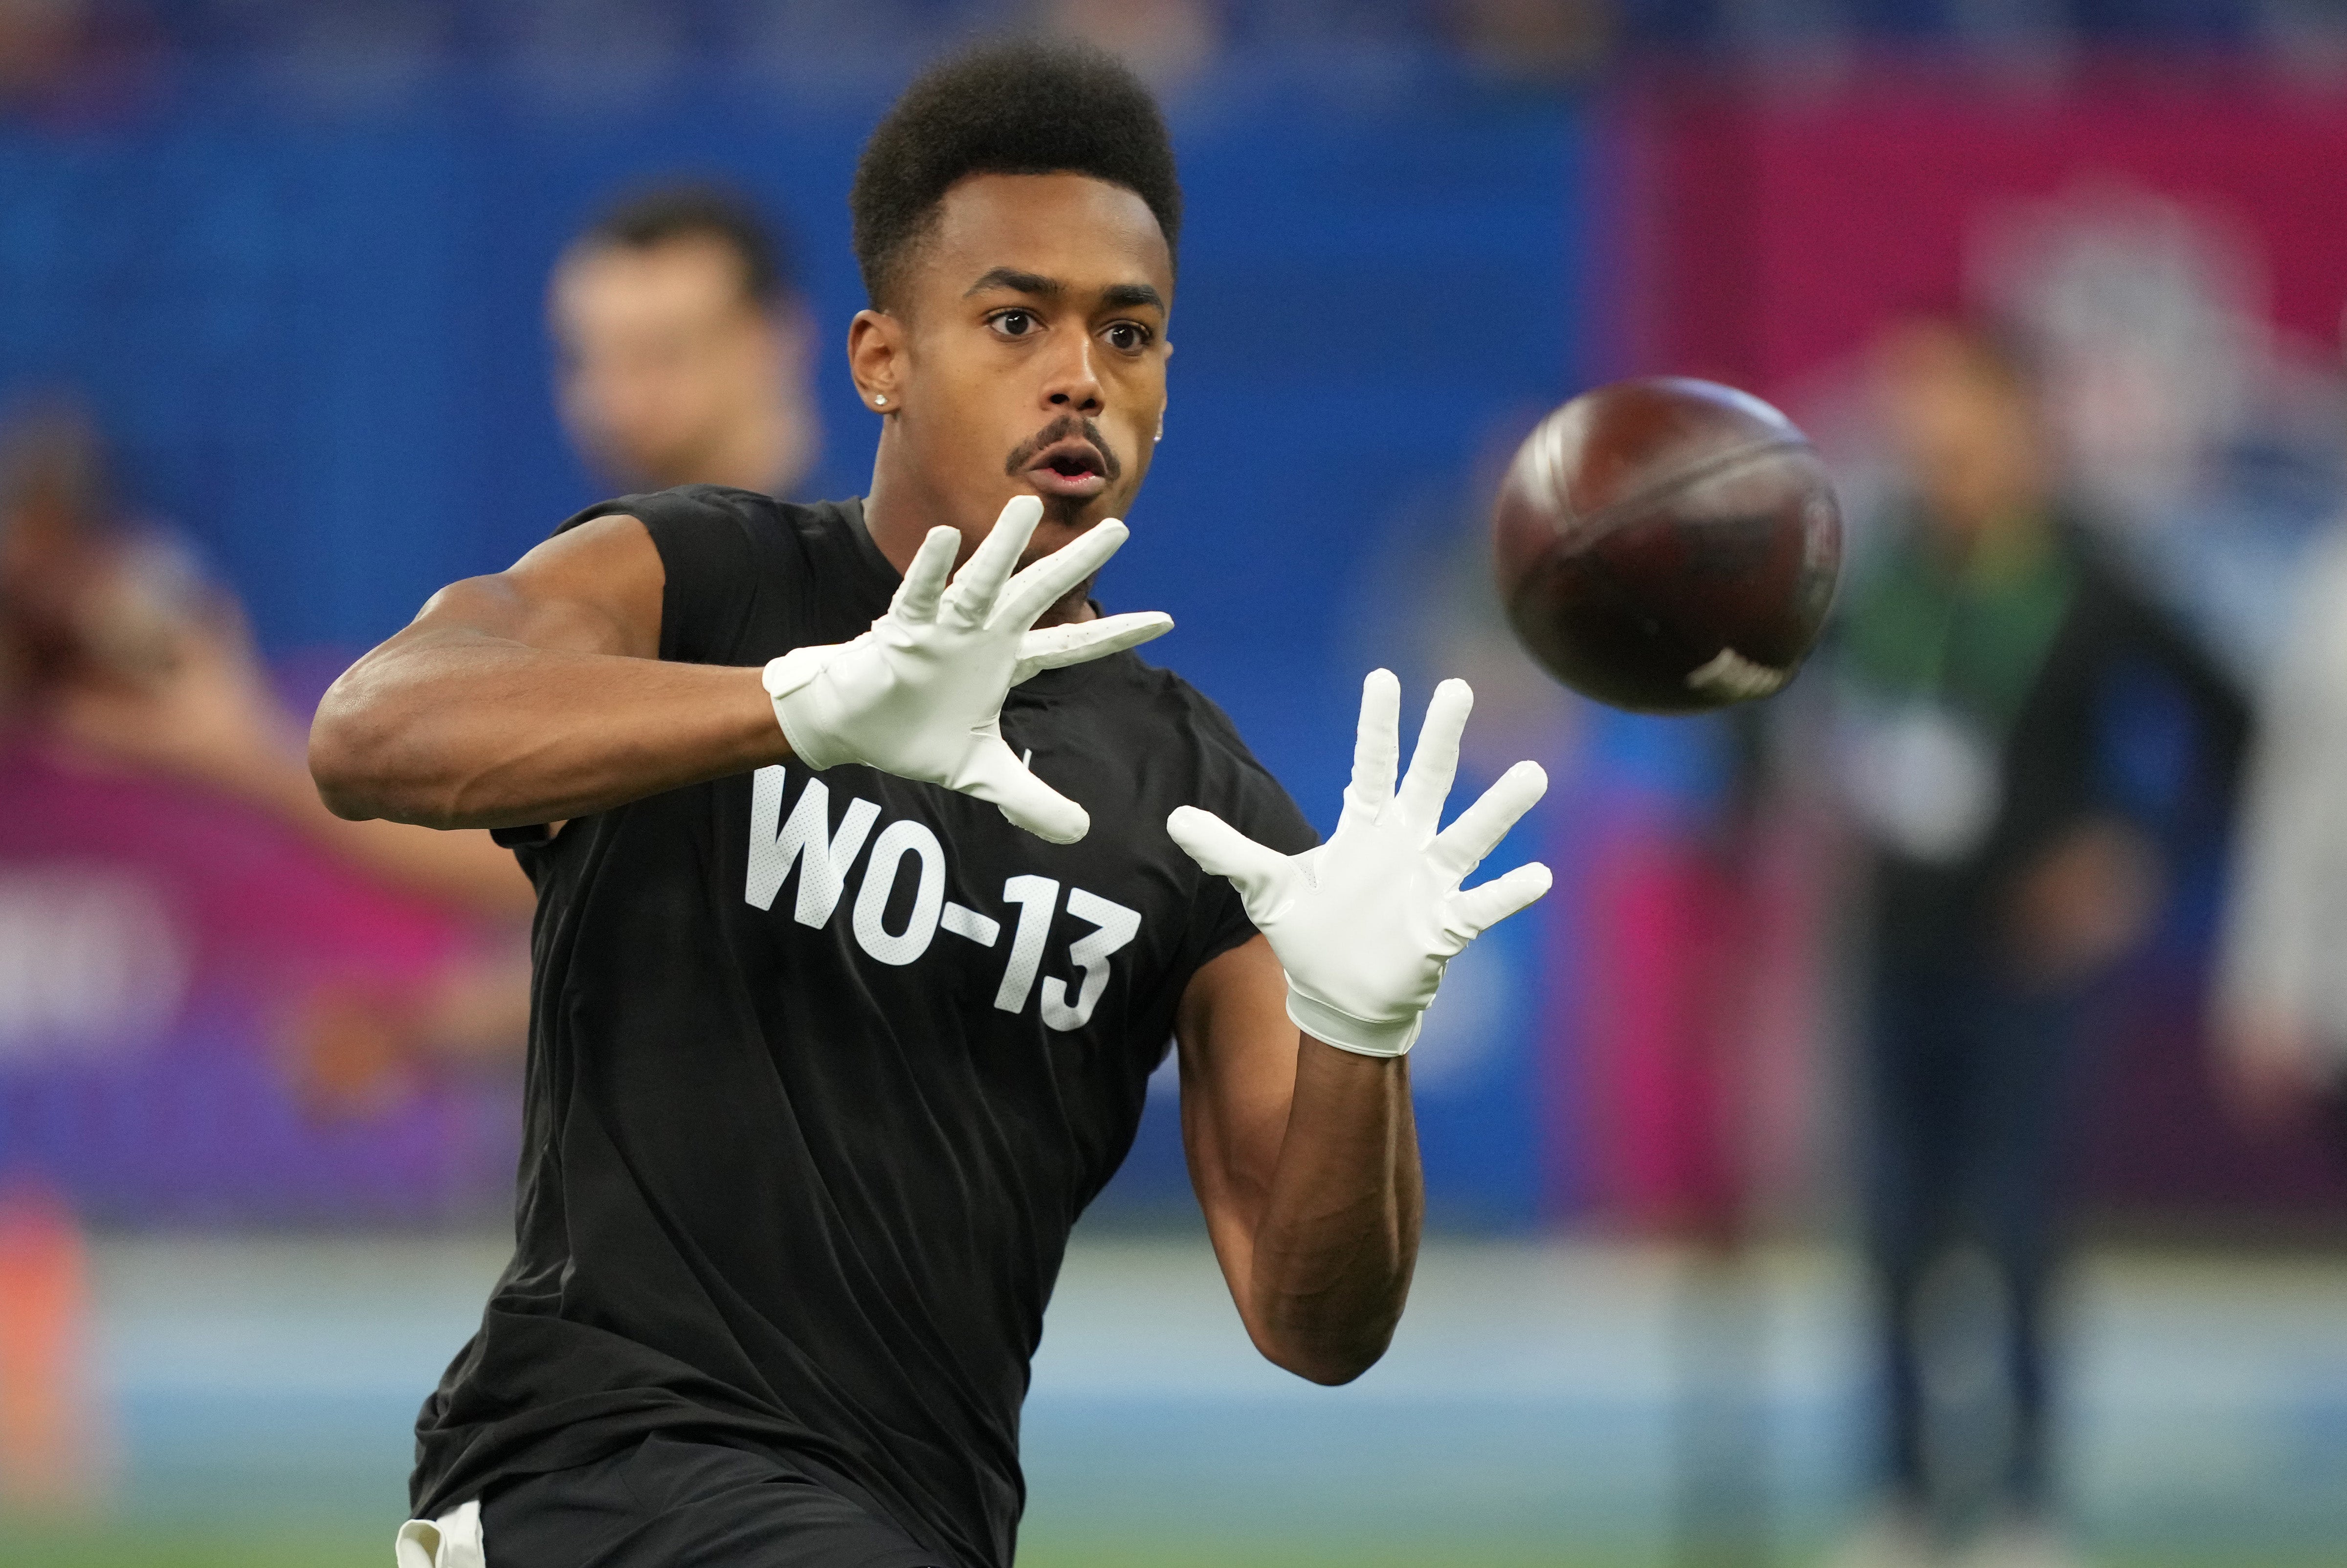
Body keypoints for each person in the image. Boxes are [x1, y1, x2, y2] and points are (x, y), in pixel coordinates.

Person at [329, 44, 1552, 1568]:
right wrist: (798, 704)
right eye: (1015, 319)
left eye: (1131, 332)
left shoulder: (1197, 802)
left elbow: (1315, 1324)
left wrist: (1364, 1041)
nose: (1079, 378)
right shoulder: (704, 582)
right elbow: (372, 730)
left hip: (912, 1520)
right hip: (601, 1471)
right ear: (880, 360)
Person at [1823, 316, 2246, 1568]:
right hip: (1892, 943)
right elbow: (1802, 710)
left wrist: (2136, 856)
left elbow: (2234, 719)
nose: (1923, 436)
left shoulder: (2087, 577)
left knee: (2010, 1223)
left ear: (2016, 420)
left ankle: (2020, 1500)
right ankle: (1901, 1494)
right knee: (1893, 1227)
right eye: (1910, 409)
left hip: (2021, 961)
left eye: (1946, 405)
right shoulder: (1884, 568)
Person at [551, 184, 820, 500]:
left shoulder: (871, 547)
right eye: (592, 359)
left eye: (663, 355)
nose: (621, 403)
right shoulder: (572, 546)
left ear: (773, 340)